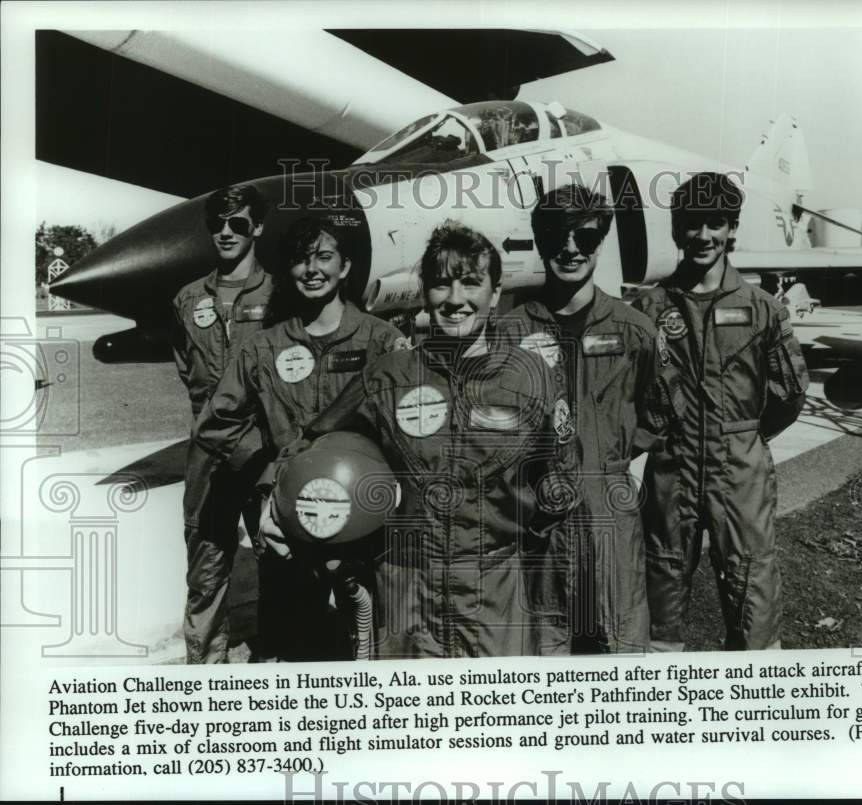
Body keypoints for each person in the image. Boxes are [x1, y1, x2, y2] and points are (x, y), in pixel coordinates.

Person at [261, 220, 579, 658]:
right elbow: (314, 440)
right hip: (406, 584)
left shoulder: (532, 378)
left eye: (470, 283)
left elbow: (560, 480)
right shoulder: (389, 376)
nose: (454, 300)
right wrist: (275, 498)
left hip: (495, 588)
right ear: (424, 290)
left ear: (496, 287)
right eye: (440, 284)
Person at [187, 213, 407, 661]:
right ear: (288, 270)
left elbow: (411, 427)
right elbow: (216, 423)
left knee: (377, 642)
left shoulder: (383, 342)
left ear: (344, 267)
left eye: (324, 257)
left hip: (368, 522)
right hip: (289, 523)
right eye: (301, 260)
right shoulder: (262, 348)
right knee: (294, 646)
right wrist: (269, 472)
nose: (312, 270)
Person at [632, 171, 809, 651]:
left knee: (752, 588)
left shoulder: (763, 308)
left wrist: (744, 437)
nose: (703, 236)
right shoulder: (649, 310)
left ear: (732, 229)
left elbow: (791, 395)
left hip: (740, 473)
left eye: (715, 224)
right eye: (692, 224)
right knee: (661, 586)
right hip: (673, 469)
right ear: (676, 230)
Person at [498, 184, 668, 654]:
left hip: (608, 513)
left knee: (616, 649)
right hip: (534, 522)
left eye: (586, 237)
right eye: (557, 236)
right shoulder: (509, 332)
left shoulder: (634, 331)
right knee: (540, 651)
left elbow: (657, 412)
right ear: (539, 239)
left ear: (600, 242)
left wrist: (602, 455)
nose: (571, 249)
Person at [171, 183, 272, 663]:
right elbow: (187, 372)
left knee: (281, 558)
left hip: (264, 452)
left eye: (237, 223)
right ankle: (206, 675)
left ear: (258, 227)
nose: (226, 232)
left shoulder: (282, 295)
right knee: (206, 568)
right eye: (217, 223)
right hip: (209, 455)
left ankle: (283, 658)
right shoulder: (188, 301)